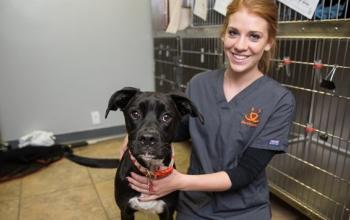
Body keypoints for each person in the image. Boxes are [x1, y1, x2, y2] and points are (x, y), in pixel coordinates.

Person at [124, 0, 295, 219]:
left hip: (245, 210)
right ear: (223, 34)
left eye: (254, 36)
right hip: (194, 206)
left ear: (269, 42)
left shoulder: (279, 100)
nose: (240, 45)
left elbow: (244, 173)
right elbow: (179, 130)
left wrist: (178, 182)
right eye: (233, 33)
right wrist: (138, 133)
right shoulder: (199, 84)